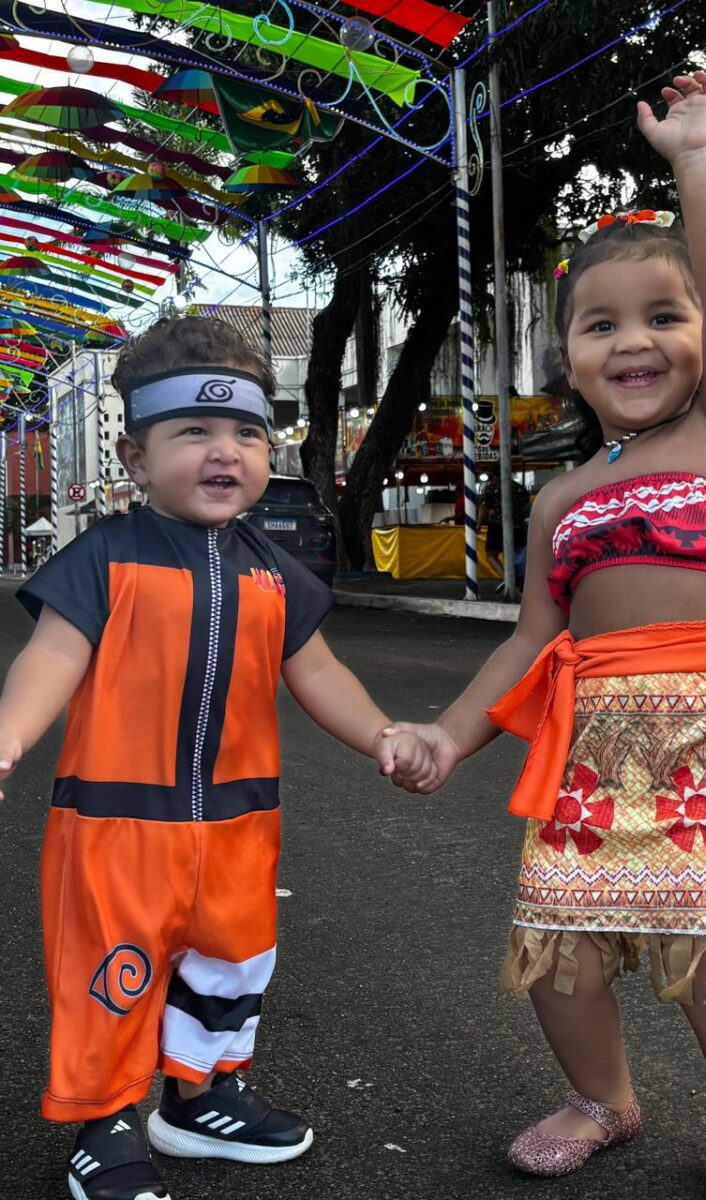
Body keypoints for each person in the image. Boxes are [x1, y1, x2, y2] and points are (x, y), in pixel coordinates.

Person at [389, 73, 706, 1199]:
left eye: (664, 318)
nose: (636, 342)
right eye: (601, 323)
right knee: (559, 953)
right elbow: (530, 639)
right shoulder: (558, 496)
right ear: (564, 350)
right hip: (588, 749)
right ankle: (600, 1100)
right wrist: (448, 732)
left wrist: (697, 157)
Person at [0, 317, 437, 1200]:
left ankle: (197, 1099)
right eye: (193, 431)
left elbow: (318, 671)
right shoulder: (105, 557)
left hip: (241, 820)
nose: (225, 452)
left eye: (246, 433)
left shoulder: (274, 571)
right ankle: (105, 1127)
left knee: (231, 964)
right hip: (115, 822)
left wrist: (383, 732)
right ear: (134, 454)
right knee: (113, 973)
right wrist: (9, 732)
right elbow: (52, 657)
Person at [479, 476, 530, 587]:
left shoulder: (491, 488)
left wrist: (478, 524)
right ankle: (519, 578)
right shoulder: (518, 487)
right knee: (517, 554)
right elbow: (526, 506)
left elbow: (483, 507)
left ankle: (506, 578)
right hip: (517, 525)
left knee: (491, 555)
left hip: (497, 525)